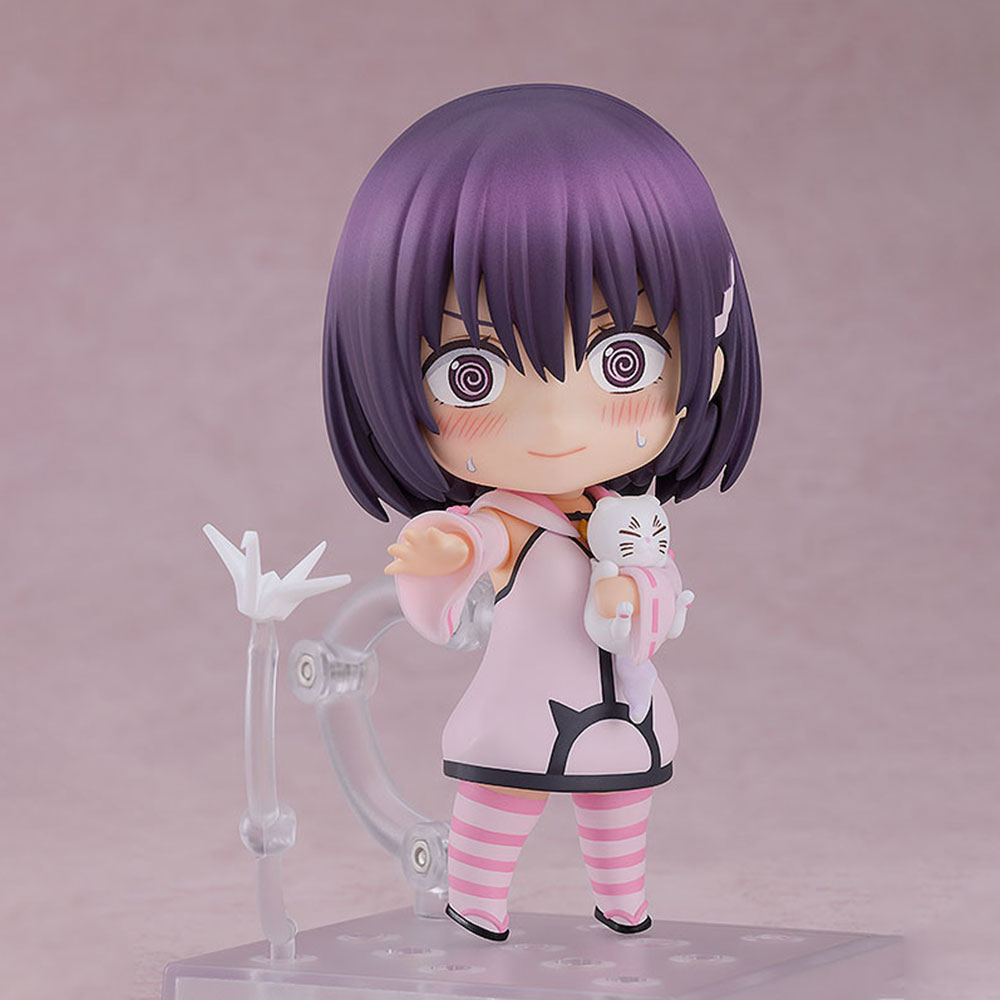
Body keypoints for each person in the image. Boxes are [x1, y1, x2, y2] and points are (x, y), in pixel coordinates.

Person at [322, 84, 761, 940]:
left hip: (625, 703)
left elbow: (661, 591)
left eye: (623, 360)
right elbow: (467, 546)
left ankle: (624, 909)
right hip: (526, 707)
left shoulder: (626, 516)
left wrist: (646, 596)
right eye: (471, 375)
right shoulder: (516, 524)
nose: (558, 427)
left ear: (705, 359)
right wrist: (443, 552)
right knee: (501, 798)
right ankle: (476, 907)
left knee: (621, 801)